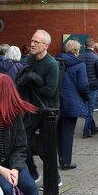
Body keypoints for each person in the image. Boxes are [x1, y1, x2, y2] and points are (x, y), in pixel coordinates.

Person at [15, 30, 60, 181]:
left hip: (48, 112)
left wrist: (31, 84)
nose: (32, 44)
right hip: (31, 109)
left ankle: (54, 177)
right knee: (22, 140)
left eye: (36, 42)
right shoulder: (29, 60)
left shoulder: (52, 64)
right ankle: (33, 172)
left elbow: (49, 90)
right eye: (32, 40)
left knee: (44, 147)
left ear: (46, 45)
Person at [56, 40, 89, 170]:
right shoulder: (79, 65)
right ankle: (66, 161)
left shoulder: (57, 62)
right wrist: (85, 98)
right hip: (72, 102)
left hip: (57, 101)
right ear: (76, 50)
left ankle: (61, 158)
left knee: (59, 131)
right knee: (68, 132)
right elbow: (83, 86)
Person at [82, 38, 98, 138]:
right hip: (93, 86)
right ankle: (86, 130)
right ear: (93, 46)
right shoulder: (95, 57)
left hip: (83, 86)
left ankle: (92, 127)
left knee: (87, 108)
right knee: (90, 108)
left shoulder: (80, 57)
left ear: (85, 46)